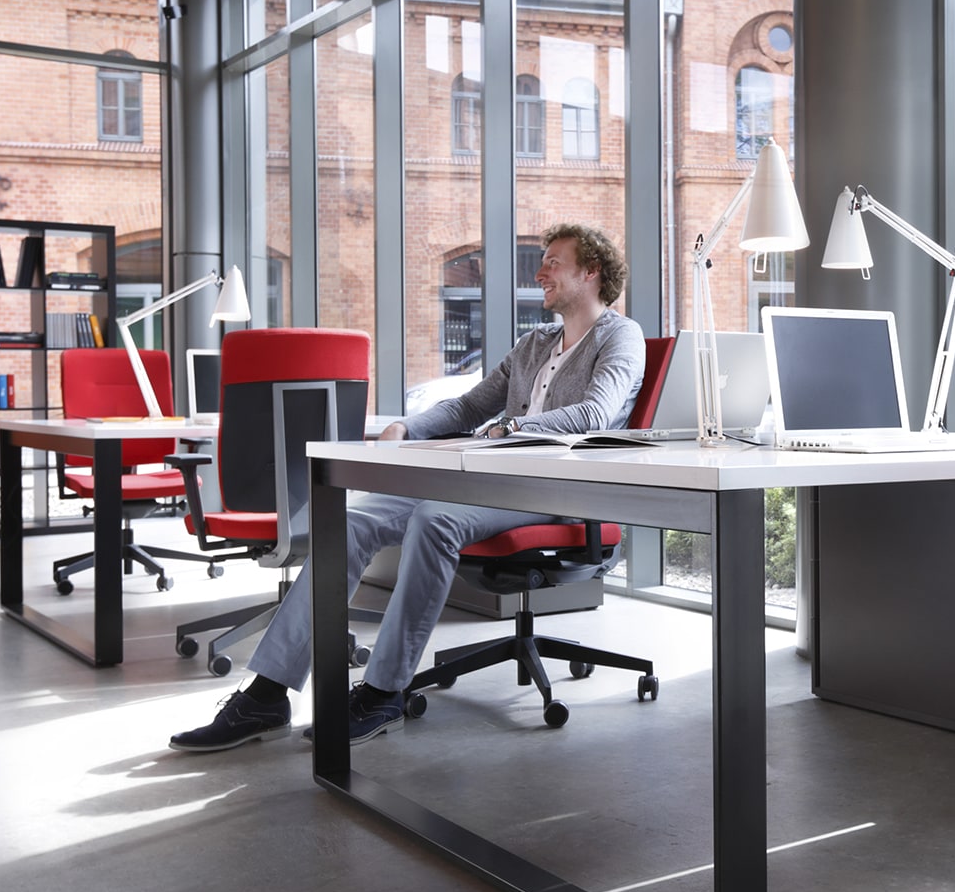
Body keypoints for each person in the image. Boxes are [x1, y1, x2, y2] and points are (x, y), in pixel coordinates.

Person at [169, 223, 645, 752]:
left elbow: (597, 413)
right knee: (349, 520)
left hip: (551, 491)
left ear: (591, 272)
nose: (540, 272)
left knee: (434, 519)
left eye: (553, 262)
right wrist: (408, 427)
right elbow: (469, 406)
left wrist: (512, 429)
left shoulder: (619, 336)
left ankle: (383, 692)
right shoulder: (534, 344)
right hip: (489, 480)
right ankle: (267, 694)